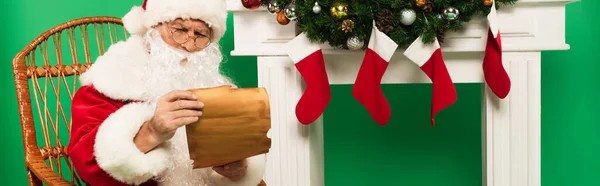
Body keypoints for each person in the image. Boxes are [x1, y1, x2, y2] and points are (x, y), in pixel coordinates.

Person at [67, 0, 266, 185]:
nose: (189, 45)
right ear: (152, 29)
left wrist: (238, 171)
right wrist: (151, 132)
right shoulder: (110, 82)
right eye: (179, 30)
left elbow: (241, 161)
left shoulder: (216, 86)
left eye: (201, 34)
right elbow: (88, 167)